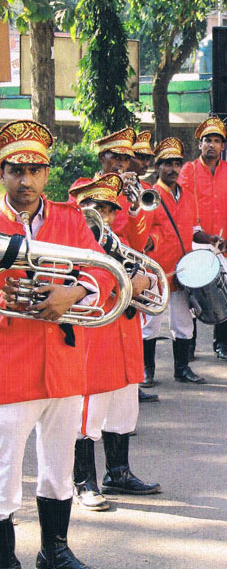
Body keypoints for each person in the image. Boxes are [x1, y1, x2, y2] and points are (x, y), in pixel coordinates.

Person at [0, 120, 115, 569]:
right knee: (4, 468)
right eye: (15, 170)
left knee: (59, 466)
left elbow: (105, 273)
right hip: (9, 364)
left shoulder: (70, 220)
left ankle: (55, 550)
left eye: (34, 170)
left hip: (65, 364)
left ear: (47, 174)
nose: (25, 180)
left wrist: (73, 293)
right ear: (3, 172)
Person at [69, 165, 161, 515]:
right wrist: (127, 282)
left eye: (109, 209)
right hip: (96, 330)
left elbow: (142, 252)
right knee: (90, 409)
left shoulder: (114, 240)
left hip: (125, 329)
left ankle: (118, 472)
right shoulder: (75, 239)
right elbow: (84, 281)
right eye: (98, 208)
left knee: (123, 407)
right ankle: (83, 482)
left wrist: (144, 282)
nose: (104, 216)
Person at [178, 117, 227, 361]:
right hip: (196, 243)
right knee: (193, 297)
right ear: (200, 144)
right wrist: (203, 236)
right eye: (208, 140)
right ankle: (189, 347)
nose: (212, 145)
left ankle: (221, 344)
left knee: (226, 293)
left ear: (223, 147)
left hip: (224, 247)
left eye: (217, 141)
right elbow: (183, 208)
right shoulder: (188, 170)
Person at [142, 137, 206, 385]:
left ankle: (182, 369)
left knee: (183, 323)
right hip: (156, 271)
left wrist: (209, 238)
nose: (173, 169)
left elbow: (193, 230)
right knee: (150, 323)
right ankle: (147, 371)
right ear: (158, 167)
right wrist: (154, 240)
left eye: (177, 163)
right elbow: (143, 235)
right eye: (167, 163)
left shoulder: (188, 195)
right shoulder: (151, 195)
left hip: (183, 271)